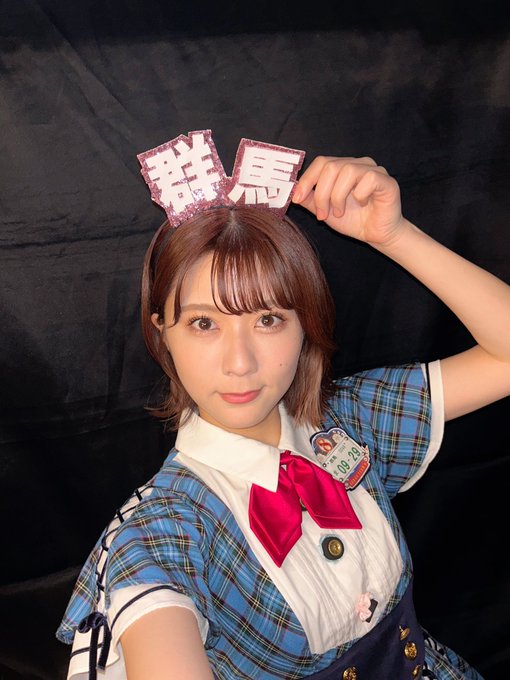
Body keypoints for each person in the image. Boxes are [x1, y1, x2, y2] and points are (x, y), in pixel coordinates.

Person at [57, 144, 510, 680]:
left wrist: (394, 235)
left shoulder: (349, 419)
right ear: (163, 334)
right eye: (204, 324)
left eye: (268, 319)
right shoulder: (164, 530)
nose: (240, 363)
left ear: (304, 326)